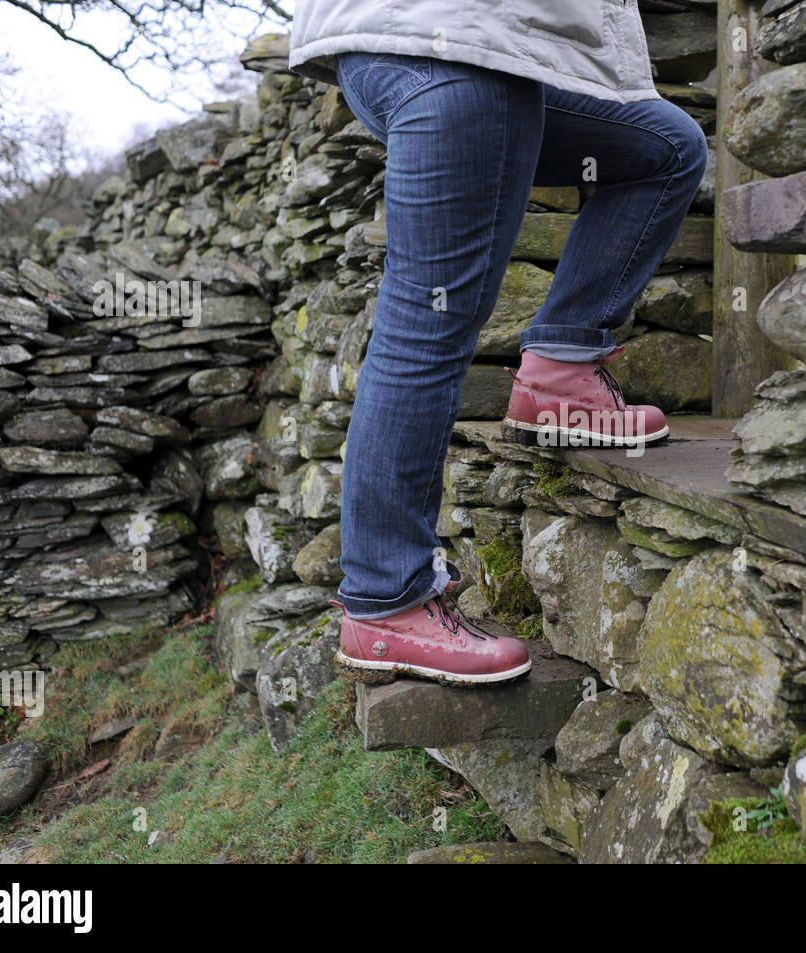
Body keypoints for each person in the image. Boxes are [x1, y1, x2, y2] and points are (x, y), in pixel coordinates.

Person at [289, 1, 709, 687]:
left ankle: (561, 373)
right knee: (428, 323)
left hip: (444, 44)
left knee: (664, 148)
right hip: (454, 48)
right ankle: (385, 601)